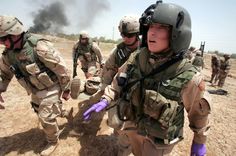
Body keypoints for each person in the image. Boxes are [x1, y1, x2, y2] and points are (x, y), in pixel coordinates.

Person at [83, 1, 211, 156]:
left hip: (157, 141)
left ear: (178, 35)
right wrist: (106, 99)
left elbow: (199, 115)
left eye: (161, 27)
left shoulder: (189, 77)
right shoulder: (138, 57)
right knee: (123, 148)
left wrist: (199, 141)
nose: (152, 32)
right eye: (151, 26)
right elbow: (118, 81)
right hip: (131, 124)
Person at [0, 15, 73, 156]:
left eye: (3, 39)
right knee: (38, 109)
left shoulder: (39, 46)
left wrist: (66, 89)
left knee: (45, 117)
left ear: (14, 35)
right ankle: (61, 111)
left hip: (52, 87)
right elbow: (4, 74)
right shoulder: (8, 54)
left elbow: (62, 69)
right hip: (35, 89)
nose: (2, 43)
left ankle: (52, 141)